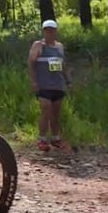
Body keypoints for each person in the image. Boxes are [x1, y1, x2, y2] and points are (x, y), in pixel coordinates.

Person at [28, 19, 72, 151]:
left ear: (56, 31)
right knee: (45, 111)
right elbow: (31, 63)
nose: (49, 32)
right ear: (43, 31)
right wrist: (34, 81)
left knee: (56, 113)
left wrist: (68, 80)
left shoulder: (59, 46)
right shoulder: (38, 45)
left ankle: (56, 138)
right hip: (44, 85)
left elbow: (62, 65)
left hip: (58, 84)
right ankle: (42, 139)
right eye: (46, 30)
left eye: (52, 30)